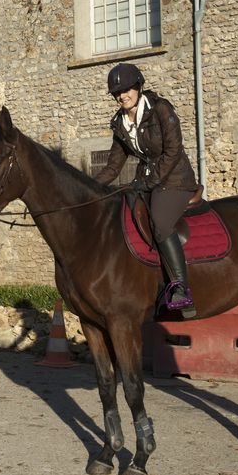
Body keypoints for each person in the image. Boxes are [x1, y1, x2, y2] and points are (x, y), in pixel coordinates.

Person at [93, 63, 198, 317]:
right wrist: (88, 187)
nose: (122, 95)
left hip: (175, 180)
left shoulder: (160, 109)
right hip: (148, 181)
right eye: (117, 92)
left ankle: (181, 289)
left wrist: (149, 181)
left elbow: (173, 151)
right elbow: (113, 167)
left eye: (127, 89)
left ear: (138, 86)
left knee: (160, 223)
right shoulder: (119, 123)